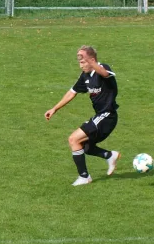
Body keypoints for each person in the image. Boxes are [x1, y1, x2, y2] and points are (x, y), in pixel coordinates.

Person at [44, 45, 121, 186]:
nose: (81, 65)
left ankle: (84, 177)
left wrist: (92, 63)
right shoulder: (85, 76)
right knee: (83, 146)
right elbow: (72, 92)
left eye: (83, 62)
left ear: (92, 60)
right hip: (100, 116)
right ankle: (110, 156)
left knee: (73, 139)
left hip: (108, 116)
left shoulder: (102, 68)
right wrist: (54, 108)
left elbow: (105, 74)